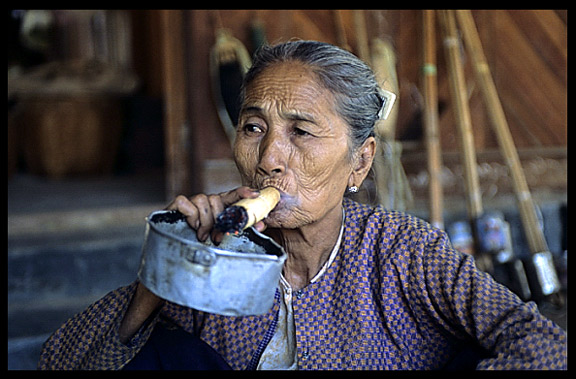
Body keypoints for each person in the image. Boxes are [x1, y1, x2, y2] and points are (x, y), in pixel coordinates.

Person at [38, 40, 566, 370]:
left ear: (359, 164)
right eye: (254, 128)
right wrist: (169, 265)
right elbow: (62, 360)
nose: (270, 158)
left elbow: (543, 345)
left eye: (301, 131)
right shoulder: (221, 257)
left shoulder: (403, 251)